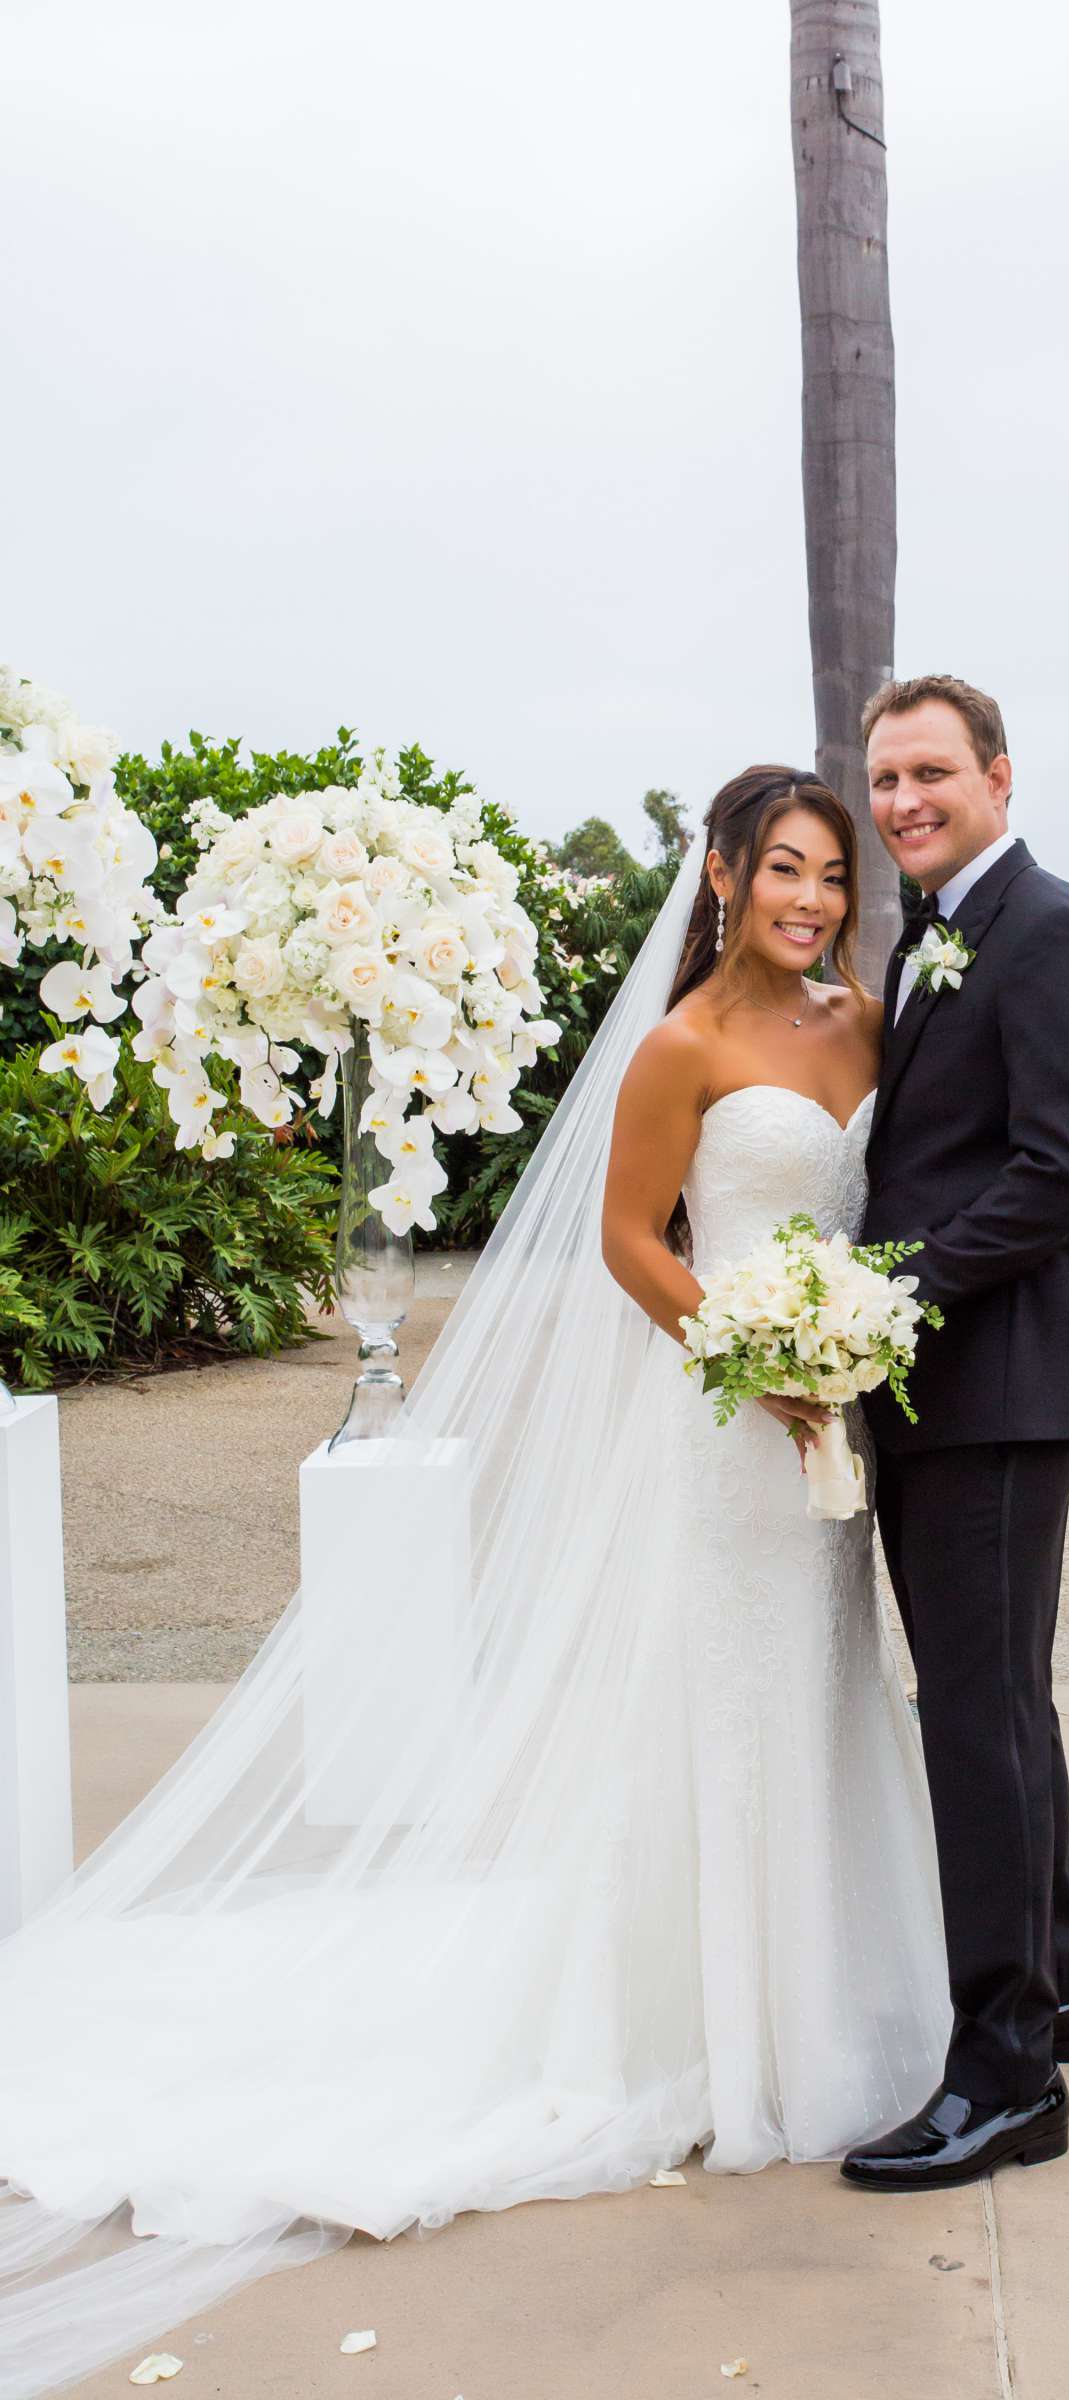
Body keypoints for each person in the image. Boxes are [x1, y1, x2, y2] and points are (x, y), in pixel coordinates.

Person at [0, 766, 949, 2398]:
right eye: (784, 871)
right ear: (721, 878)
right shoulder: (683, 1046)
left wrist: (847, 1346)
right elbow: (631, 1239)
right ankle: (720, 2030)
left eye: (832, 876)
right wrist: (751, 1352)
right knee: (727, 1698)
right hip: (733, 1430)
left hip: (838, 1440)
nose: (813, 899)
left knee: (826, 1692)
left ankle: (828, 2003)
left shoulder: (866, 1026)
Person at [839, 674, 1069, 2194]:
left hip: (1003, 1386)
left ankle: (1004, 2073)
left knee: (976, 1715)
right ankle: (1065, 1986)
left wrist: (884, 1294)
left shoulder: (1056, 928)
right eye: (885, 778)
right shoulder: (935, 943)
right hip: (946, 1389)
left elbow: (1063, 1171)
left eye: (931, 773)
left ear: (1000, 778)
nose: (902, 802)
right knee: (1001, 1700)